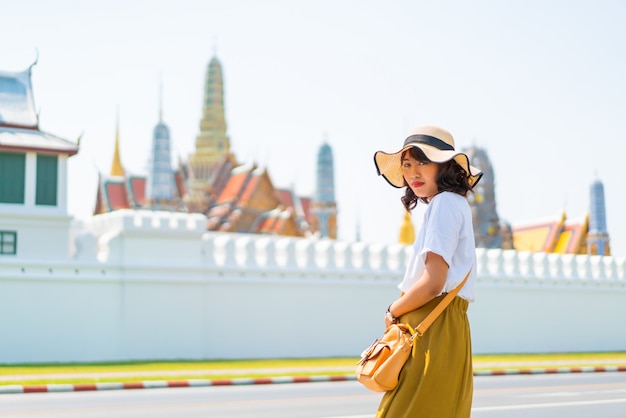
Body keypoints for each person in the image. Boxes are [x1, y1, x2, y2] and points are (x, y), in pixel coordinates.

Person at [372, 125, 483, 418]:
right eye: (407, 165)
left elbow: (433, 282)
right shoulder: (455, 205)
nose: (413, 173)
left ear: (444, 166)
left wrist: (393, 309)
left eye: (423, 162)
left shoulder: (444, 204)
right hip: (448, 325)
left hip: (430, 324)